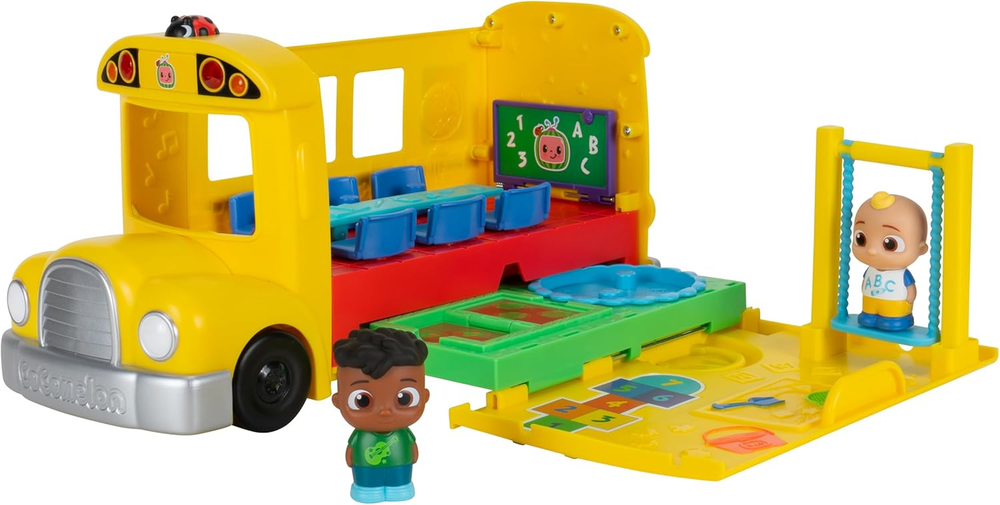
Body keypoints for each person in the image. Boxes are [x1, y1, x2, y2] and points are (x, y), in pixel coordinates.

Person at [332, 328, 430, 503]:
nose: (385, 411)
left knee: (399, 483)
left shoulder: (402, 433)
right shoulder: (361, 436)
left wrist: (413, 452)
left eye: (404, 399)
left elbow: (412, 447)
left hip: (400, 466)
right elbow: (351, 449)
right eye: (362, 401)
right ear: (338, 401)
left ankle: (400, 487)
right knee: (368, 485)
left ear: (425, 396)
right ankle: (367, 489)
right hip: (366, 469)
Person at [852, 191, 929, 331]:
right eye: (861, 239)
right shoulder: (870, 270)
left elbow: (910, 289)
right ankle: (869, 316)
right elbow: (864, 283)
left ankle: (894, 319)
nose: (872, 250)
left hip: (895, 308)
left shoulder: (902, 274)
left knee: (891, 317)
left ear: (921, 249)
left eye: (890, 244)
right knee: (868, 315)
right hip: (870, 304)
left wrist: (909, 298)